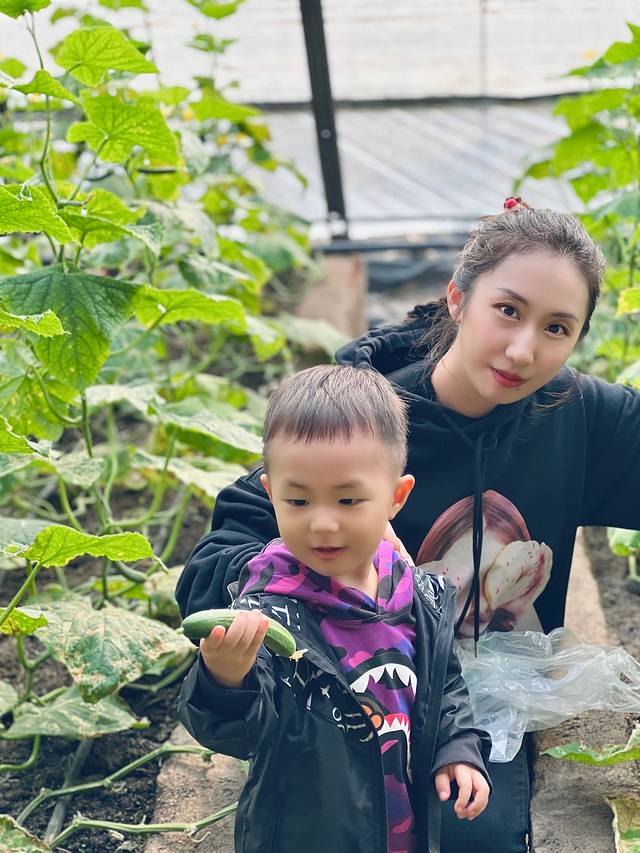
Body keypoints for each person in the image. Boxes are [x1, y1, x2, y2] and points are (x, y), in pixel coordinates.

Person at [176, 200, 640, 853]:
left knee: (476, 832)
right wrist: (324, 574)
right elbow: (213, 563)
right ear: (458, 298)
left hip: (472, 703)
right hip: (350, 690)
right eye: (507, 310)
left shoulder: (578, 414)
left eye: (556, 327)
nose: (523, 348)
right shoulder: (366, 419)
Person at [178, 365, 492, 853]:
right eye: (298, 501)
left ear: (396, 497)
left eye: (347, 500)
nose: (322, 524)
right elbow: (237, 735)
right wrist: (224, 681)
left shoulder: (420, 595)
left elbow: (445, 687)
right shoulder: (268, 611)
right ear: (271, 496)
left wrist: (458, 748)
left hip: (401, 830)